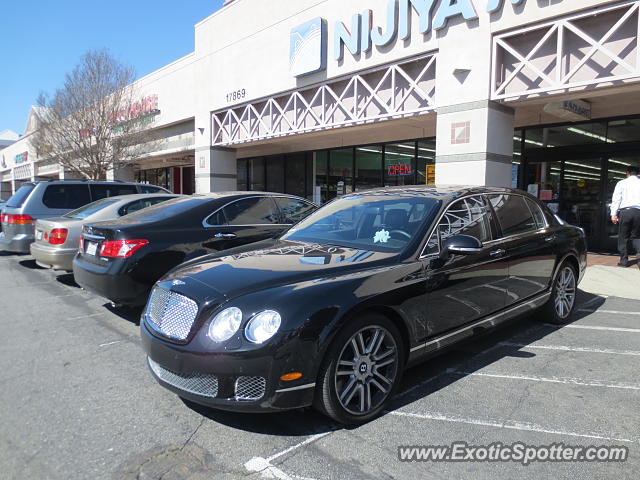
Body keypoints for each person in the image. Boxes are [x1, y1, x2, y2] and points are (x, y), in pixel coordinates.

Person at [611, 165, 640, 267]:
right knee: (637, 236)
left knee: (623, 237)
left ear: (627, 173)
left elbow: (616, 199)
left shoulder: (621, 183)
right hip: (638, 212)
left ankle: (623, 261)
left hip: (625, 212)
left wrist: (613, 214)